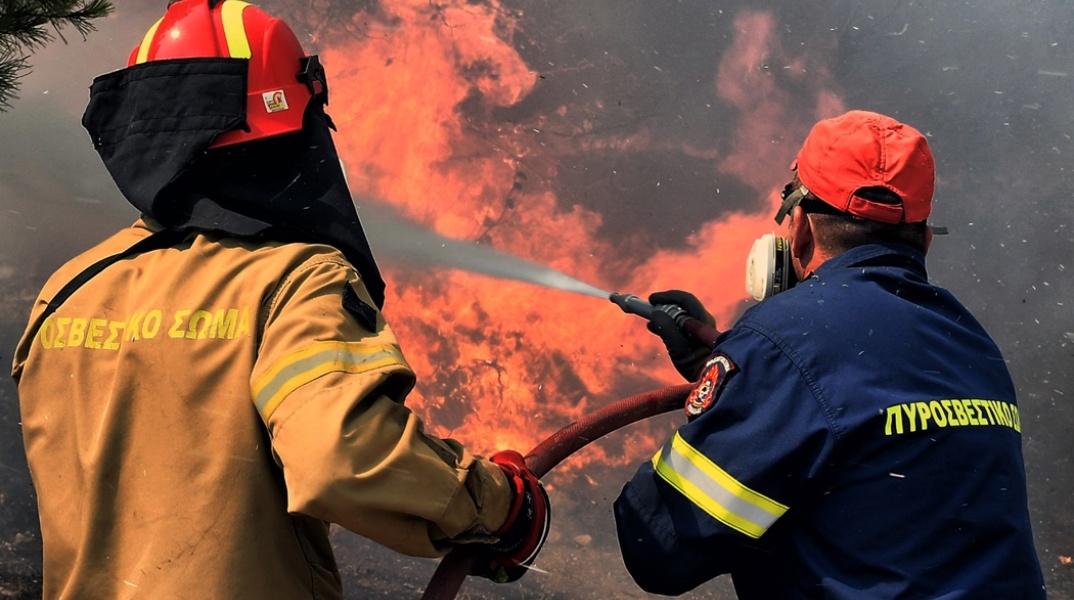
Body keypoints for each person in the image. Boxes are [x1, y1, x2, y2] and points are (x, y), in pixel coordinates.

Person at [10, 1, 548, 598]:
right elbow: (340, 453)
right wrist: (499, 506)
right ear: (293, 129)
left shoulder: (68, 290)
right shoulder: (294, 279)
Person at [615, 110, 1046, 598]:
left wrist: (742, 384)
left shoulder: (786, 339)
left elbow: (659, 549)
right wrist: (744, 378)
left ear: (798, 228)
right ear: (924, 239)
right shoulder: (970, 341)